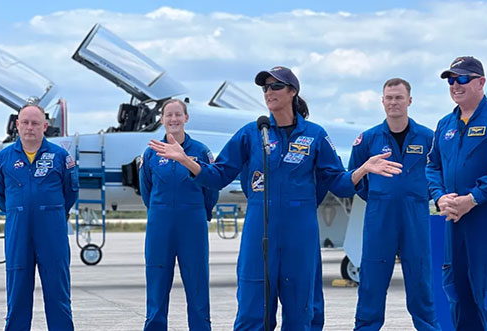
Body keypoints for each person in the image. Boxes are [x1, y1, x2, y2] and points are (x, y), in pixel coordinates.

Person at [148, 66, 403, 330]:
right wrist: (186, 160)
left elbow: (337, 182)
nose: (269, 92)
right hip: (260, 229)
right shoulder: (251, 133)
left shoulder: (315, 135)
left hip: (299, 231)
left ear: (293, 92)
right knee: (252, 310)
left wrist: (361, 170)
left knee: (300, 313)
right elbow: (218, 175)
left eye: (276, 86)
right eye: (265, 87)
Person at [426, 56, 487, 330]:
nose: (456, 85)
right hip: (455, 224)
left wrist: (473, 199)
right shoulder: (445, 125)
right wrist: (440, 196)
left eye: (463, 79)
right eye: (451, 80)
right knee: (458, 296)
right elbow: (432, 166)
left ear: (480, 82)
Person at [349, 78, 441, 331]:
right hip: (380, 217)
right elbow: (354, 177)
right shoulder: (368, 139)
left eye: (399, 97)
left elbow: (439, 174)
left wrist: (419, 194)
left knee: (420, 280)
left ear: (409, 100)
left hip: (416, 216)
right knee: (372, 283)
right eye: (389, 97)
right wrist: (381, 195)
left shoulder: (428, 138)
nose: (393, 102)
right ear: (382, 101)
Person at [0, 104, 79, 330]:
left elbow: (70, 192)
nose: (30, 128)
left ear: (45, 126)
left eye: (35, 123)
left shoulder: (60, 157)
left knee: (58, 294)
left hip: (52, 233)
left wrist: (51, 213)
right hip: (18, 232)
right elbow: (0, 196)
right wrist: (20, 211)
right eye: (25, 123)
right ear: (17, 125)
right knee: (17, 294)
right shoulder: (3, 159)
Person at [139, 99, 218, 330]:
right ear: (162, 119)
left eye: (178, 115)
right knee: (156, 283)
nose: (173, 119)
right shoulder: (152, 152)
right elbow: (146, 190)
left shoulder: (201, 151)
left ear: (186, 118)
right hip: (160, 225)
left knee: (197, 284)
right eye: (168, 115)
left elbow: (211, 188)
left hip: (192, 224)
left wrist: (200, 213)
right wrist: (159, 212)